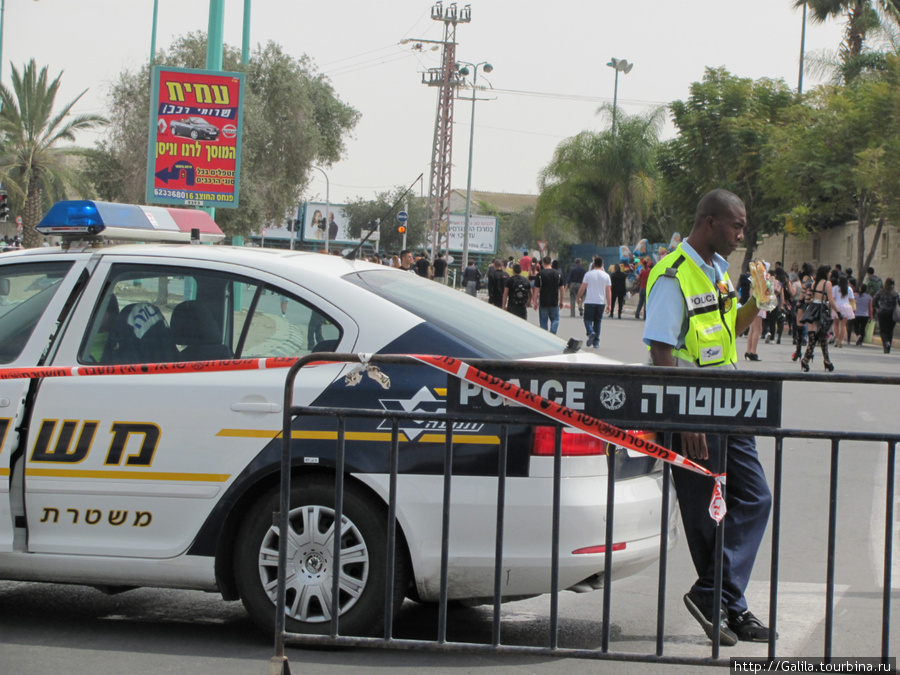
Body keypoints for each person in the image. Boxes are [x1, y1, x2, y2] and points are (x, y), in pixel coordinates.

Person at [644, 189, 772, 646]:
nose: (742, 235)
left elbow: (732, 328)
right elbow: (661, 349)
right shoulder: (673, 275)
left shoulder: (717, 271)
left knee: (756, 498)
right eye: (736, 226)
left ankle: (712, 594)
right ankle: (730, 607)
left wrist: (759, 301)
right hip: (692, 406)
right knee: (705, 516)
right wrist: (684, 418)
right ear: (710, 222)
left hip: (728, 400)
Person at [799, 265, 838, 371]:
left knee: (813, 337)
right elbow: (830, 299)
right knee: (822, 336)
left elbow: (808, 298)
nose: (830, 274)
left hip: (812, 309)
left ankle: (807, 360)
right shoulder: (827, 283)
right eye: (829, 272)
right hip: (821, 309)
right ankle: (826, 361)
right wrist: (838, 311)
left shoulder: (814, 283)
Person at [577, 256, 611, 348]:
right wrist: (609, 304)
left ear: (594, 264)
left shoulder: (588, 274)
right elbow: (608, 291)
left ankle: (590, 332)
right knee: (598, 321)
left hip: (590, 301)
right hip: (601, 302)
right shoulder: (606, 276)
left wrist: (578, 297)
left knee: (587, 320)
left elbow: (583, 287)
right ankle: (596, 343)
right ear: (602, 265)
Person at [533, 256, 564, 333]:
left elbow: (536, 289)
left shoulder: (540, 274)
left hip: (543, 301)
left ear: (543, 263)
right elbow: (562, 288)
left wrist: (535, 301)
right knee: (555, 319)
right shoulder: (557, 274)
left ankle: (545, 337)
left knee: (543, 321)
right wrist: (561, 301)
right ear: (551, 263)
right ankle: (552, 333)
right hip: (554, 301)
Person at [873, 277, 900, 353]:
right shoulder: (896, 293)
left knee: (883, 330)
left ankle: (885, 343)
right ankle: (888, 346)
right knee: (890, 331)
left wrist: (876, 308)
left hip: (882, 312)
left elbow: (874, 299)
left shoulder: (881, 291)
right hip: (892, 313)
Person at [831, 275, 854, 348]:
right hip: (846, 306)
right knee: (843, 325)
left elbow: (833, 298)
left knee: (836, 324)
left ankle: (837, 338)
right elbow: (851, 299)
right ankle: (842, 340)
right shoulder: (849, 289)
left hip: (837, 307)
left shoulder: (835, 288)